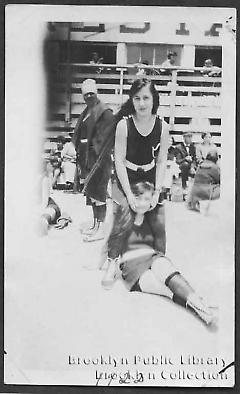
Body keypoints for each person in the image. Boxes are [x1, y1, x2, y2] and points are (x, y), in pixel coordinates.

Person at [101, 181, 217, 327]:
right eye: (139, 198)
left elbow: (160, 245)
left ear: (151, 202)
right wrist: (105, 269)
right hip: (132, 267)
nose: (142, 203)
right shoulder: (123, 215)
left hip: (152, 256)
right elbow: (113, 244)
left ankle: (203, 309)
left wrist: (160, 261)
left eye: (147, 199)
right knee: (164, 290)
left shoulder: (153, 216)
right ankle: (199, 307)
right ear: (132, 197)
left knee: (169, 273)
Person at [113, 77, 169, 257]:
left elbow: (161, 162)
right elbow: (119, 161)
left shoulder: (163, 127)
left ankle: (160, 260)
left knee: (159, 224)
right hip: (126, 177)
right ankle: (112, 260)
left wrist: (157, 191)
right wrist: (129, 194)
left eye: (146, 98)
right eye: (136, 98)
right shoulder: (124, 125)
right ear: (132, 100)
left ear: (154, 100)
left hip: (150, 178)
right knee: (121, 221)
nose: (141, 103)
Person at [71, 79, 115, 241]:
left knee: (99, 193)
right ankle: (96, 224)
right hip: (86, 159)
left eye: (91, 93)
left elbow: (104, 140)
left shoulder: (105, 112)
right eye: (86, 94)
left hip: (99, 160)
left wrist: (91, 153)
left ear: (96, 93)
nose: (89, 96)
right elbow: (78, 131)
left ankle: (101, 228)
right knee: (91, 194)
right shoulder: (87, 111)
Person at [37, 160, 72, 236]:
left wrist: (38, 212)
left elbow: (44, 202)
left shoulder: (44, 179)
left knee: (49, 211)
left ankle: (43, 222)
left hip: (48, 204)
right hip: (36, 204)